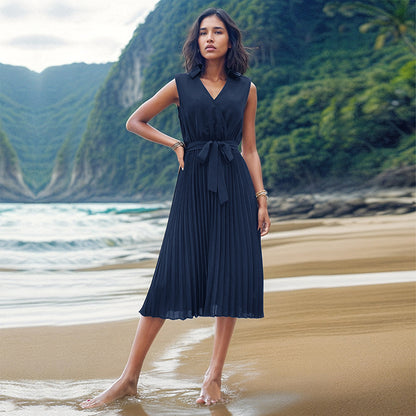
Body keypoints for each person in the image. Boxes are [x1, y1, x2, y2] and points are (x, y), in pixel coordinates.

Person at [80, 7, 270, 409]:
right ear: (196, 41)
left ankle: (213, 377)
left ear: (230, 40)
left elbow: (249, 148)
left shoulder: (246, 89)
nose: (210, 38)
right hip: (193, 187)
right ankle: (129, 378)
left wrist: (261, 198)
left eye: (218, 32)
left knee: (229, 277)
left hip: (234, 187)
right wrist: (174, 144)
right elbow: (137, 120)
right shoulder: (181, 85)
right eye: (204, 32)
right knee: (170, 274)